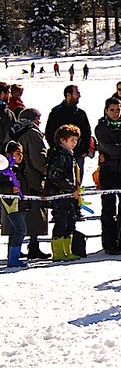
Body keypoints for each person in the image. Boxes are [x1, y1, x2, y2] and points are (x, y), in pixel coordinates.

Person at [94, 97, 121, 254]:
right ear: (106, 110)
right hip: (109, 172)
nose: (115, 113)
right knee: (108, 210)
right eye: (112, 110)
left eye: (118, 110)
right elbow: (109, 148)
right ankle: (110, 243)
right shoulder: (101, 128)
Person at [8, 108, 50, 259]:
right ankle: (34, 246)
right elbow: (38, 158)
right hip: (32, 179)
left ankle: (13, 248)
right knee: (35, 214)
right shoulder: (32, 133)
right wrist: (47, 172)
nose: (39, 121)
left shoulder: (12, 131)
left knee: (15, 215)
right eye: (38, 118)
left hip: (13, 179)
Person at [45, 124, 82, 262]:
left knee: (70, 221)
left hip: (69, 196)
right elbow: (55, 176)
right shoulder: (59, 156)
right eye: (72, 140)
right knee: (61, 221)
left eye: (76, 140)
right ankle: (58, 251)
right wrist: (71, 188)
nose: (75, 143)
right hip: (60, 195)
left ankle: (68, 249)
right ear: (62, 140)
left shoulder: (69, 156)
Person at [45, 85, 91, 182]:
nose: (79, 95)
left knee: (77, 184)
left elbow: (87, 133)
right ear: (68, 95)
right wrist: (56, 148)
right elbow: (49, 132)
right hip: (60, 156)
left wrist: (85, 150)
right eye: (77, 93)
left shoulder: (81, 113)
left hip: (78, 155)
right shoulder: (56, 112)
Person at [1, 141, 27, 267]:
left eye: (21, 153)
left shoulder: (17, 168)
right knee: (21, 229)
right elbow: (2, 186)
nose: (20, 156)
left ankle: (12, 256)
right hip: (11, 203)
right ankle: (13, 258)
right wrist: (10, 189)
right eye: (17, 153)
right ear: (8, 154)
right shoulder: (4, 170)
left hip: (19, 202)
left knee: (15, 229)